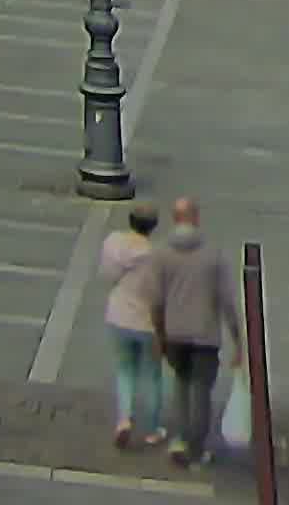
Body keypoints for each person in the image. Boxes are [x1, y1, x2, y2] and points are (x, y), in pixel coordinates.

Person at [147, 196, 245, 468]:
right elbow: (227, 301)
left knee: (180, 384)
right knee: (201, 392)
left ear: (175, 219)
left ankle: (180, 439)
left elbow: (155, 300)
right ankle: (196, 449)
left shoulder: (161, 253)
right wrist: (239, 341)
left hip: (174, 333)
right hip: (204, 335)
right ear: (196, 218)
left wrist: (159, 335)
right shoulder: (213, 255)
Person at [101, 205, 164, 448]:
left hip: (118, 316)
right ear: (153, 226)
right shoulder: (157, 256)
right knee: (153, 376)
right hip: (147, 322)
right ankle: (152, 429)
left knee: (125, 371)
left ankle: (124, 419)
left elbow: (107, 275)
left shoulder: (113, 243)